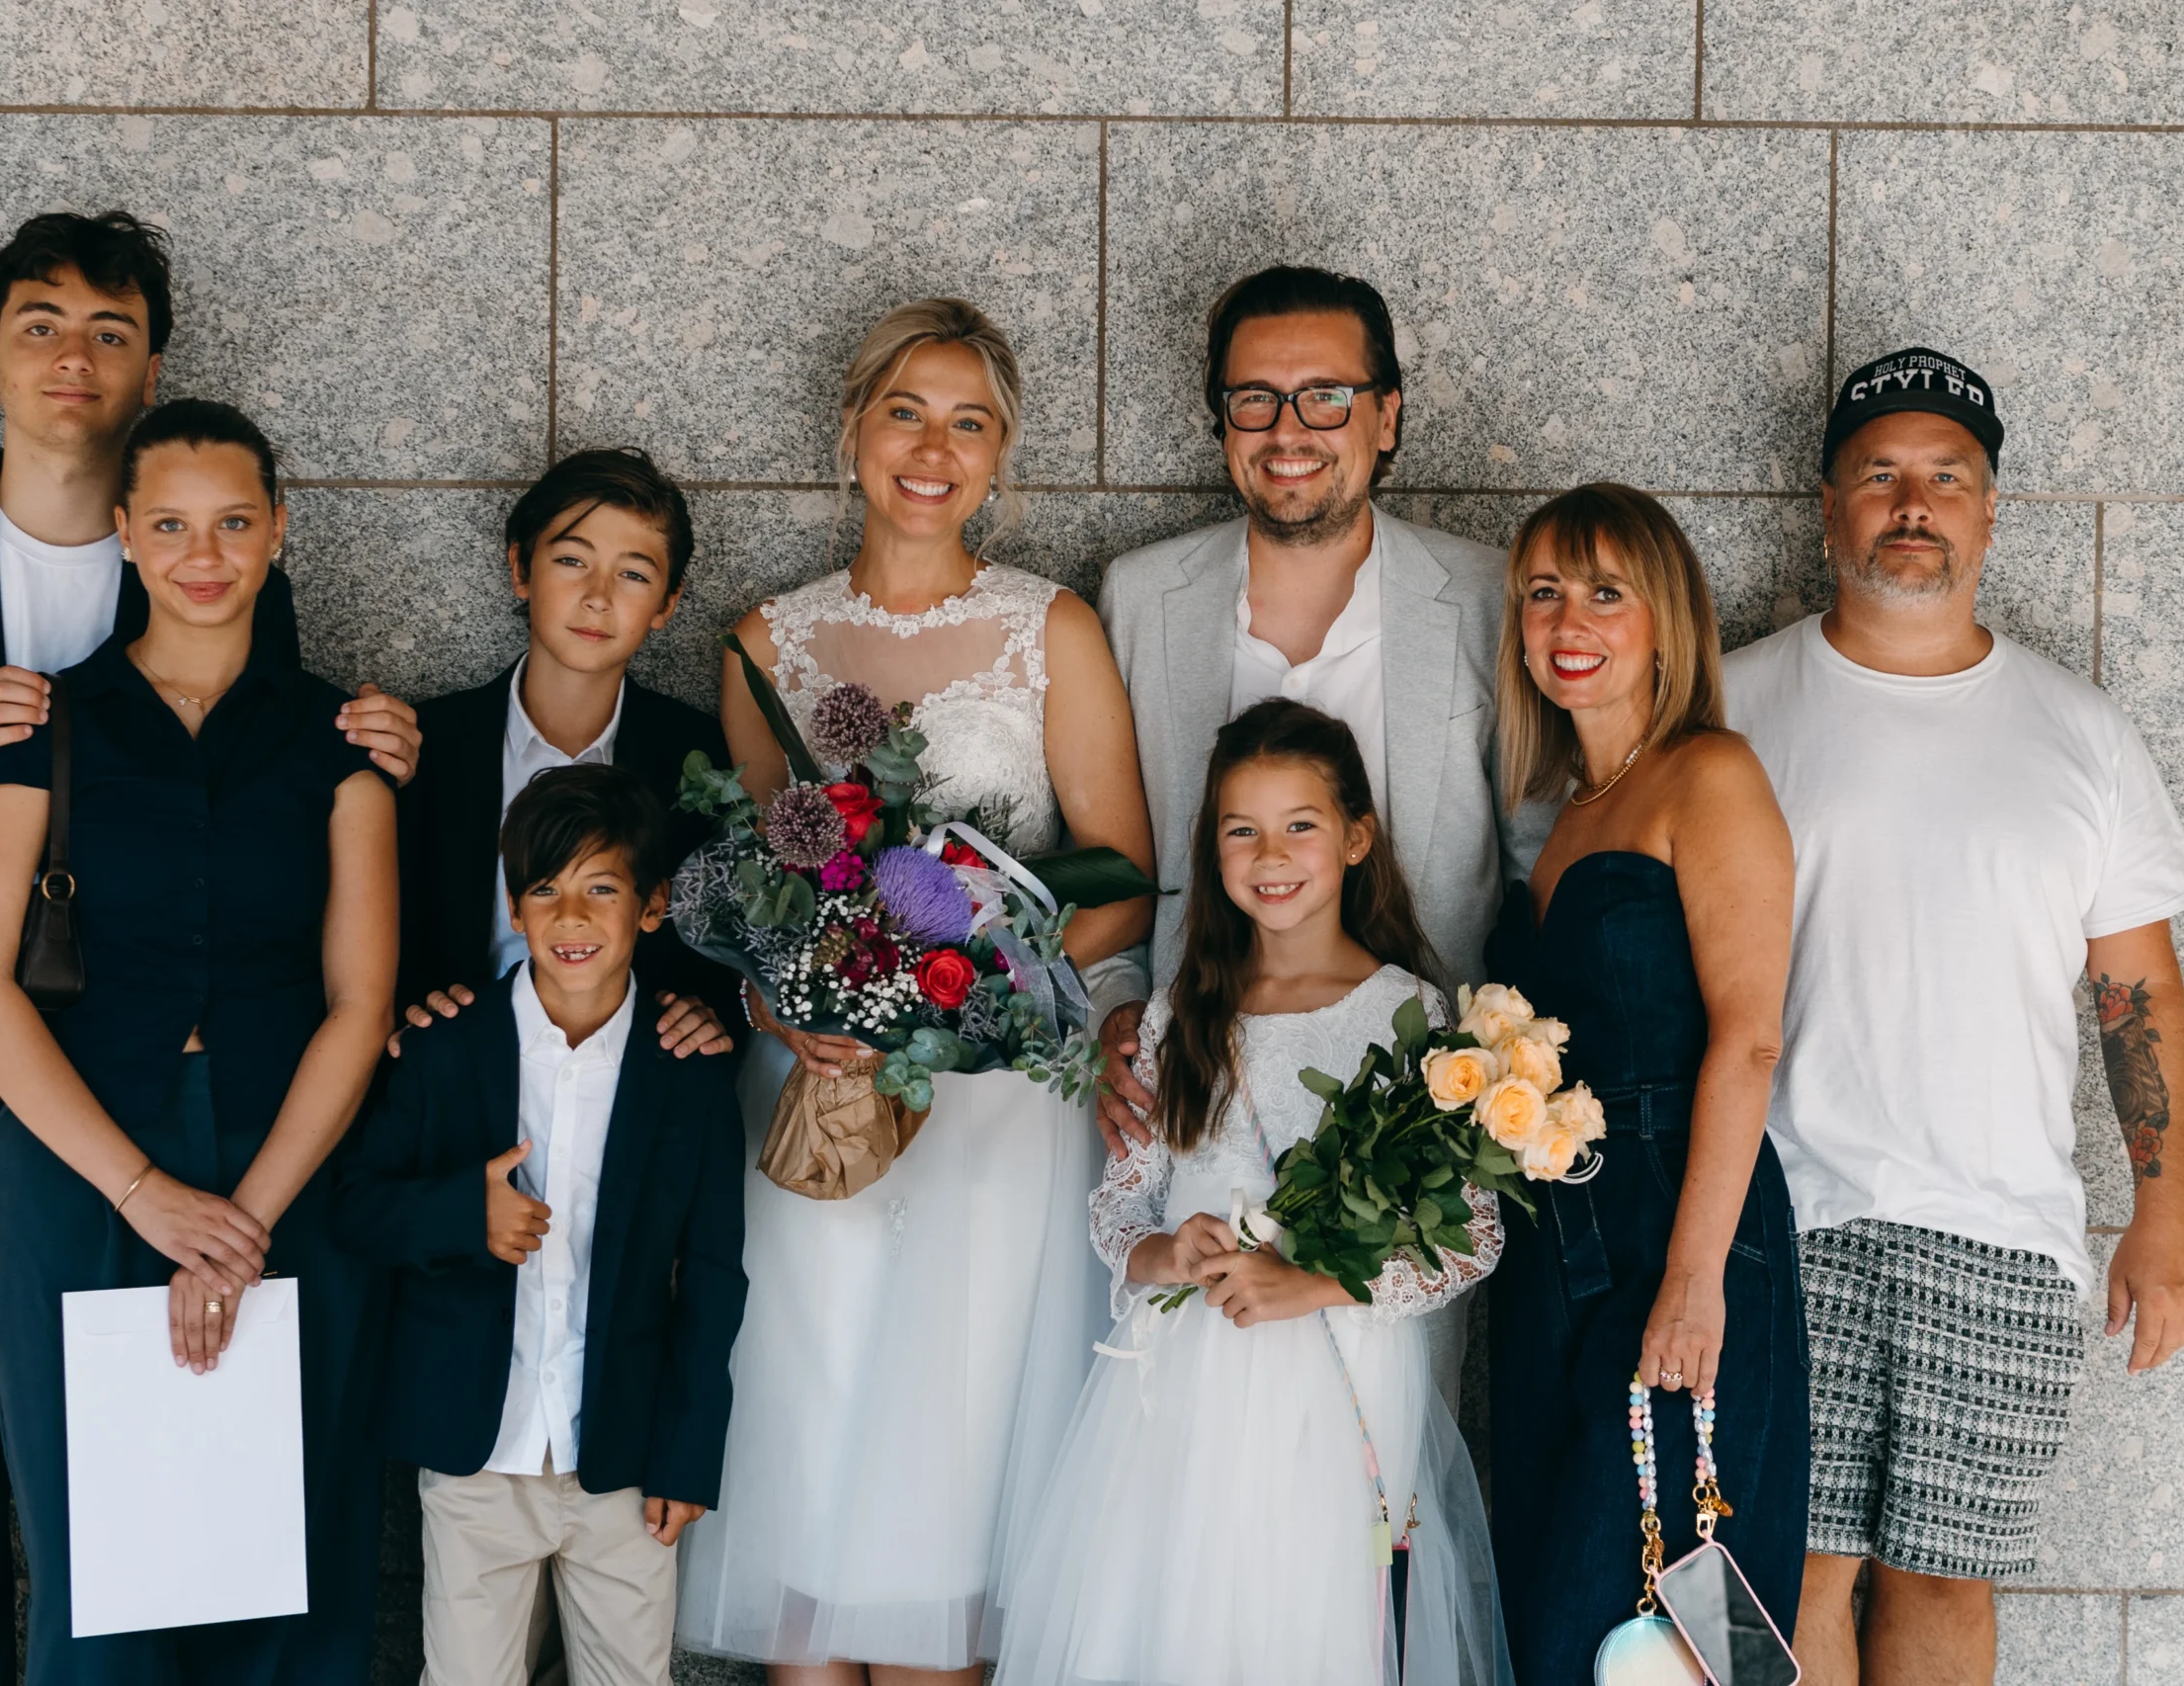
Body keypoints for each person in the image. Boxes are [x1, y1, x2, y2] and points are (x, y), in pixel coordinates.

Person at [0, 211, 418, 1686]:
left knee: (206, 1484)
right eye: (42, 323)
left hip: (184, 1079)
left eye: (112, 332)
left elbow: (264, 790)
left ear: (149, 366)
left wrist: (376, 747)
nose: (74, 355)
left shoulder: (211, 561)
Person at [673, 297, 1157, 1685]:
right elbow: (771, 888)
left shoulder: (1047, 628)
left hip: (991, 1105)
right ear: (851, 433)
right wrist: (785, 1002)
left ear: (1001, 457)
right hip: (818, 1095)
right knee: (812, 1438)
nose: (932, 448)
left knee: (945, 1471)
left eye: (968, 422)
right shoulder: (765, 641)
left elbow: (1122, 878)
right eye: (906, 412)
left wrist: (964, 995)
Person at [1726, 349, 2184, 1686]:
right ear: (1829, 508)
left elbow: (2136, 987)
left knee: (1945, 1573)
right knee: (1792, 1564)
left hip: (2003, 1227)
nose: (1914, 504)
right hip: (1779, 1214)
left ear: (1991, 512)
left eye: (1948, 477)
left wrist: (2163, 1212)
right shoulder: (1726, 706)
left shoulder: (2082, 734)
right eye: (1881, 475)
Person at [0, 400, 399, 1682]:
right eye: (176, 524)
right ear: (128, 535)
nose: (206, 552)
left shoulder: (342, 744)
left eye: (235, 521)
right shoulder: (41, 725)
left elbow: (360, 1000)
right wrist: (146, 1192)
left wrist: (240, 1218)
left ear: (278, 532)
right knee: (105, 1576)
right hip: (82, 1165)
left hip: (288, 1168)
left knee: (291, 1568)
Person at [1092, 266, 1550, 1395]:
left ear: (1386, 415)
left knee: (1375, 1474)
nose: (1289, 429)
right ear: (1220, 422)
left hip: (1411, 1142)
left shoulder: (1490, 594)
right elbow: (1107, 850)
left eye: (1325, 396)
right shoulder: (1139, 597)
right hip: (1198, 1093)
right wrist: (1112, 1009)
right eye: (1255, 398)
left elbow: (1541, 856)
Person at [994, 699, 1507, 1686]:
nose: (1270, 853)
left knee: (1295, 1623)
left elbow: (1465, 1240)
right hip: (1176, 1381)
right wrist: (1161, 1253)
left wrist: (1304, 1281)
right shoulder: (1181, 1010)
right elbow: (1124, 1203)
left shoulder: (1404, 1011)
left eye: (1299, 824)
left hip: (1332, 1380)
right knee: (1167, 1616)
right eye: (1241, 829)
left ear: (1356, 836)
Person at [1479, 483, 1807, 1685]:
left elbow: (1749, 1039)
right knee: (1560, 1607)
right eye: (1544, 592)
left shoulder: (1706, 773)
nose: (1569, 618)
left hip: (1682, 1218)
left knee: (1681, 1608)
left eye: (1605, 591)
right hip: (1559, 1241)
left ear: (1663, 618)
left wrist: (1693, 1279)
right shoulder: (1559, 816)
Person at [336, 764, 747, 1686]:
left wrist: (688, 1455)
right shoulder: (444, 1047)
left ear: (652, 907)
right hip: (476, 1454)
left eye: (602, 888)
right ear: (513, 907)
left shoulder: (687, 1071)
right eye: (546, 890)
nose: (571, 916)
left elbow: (714, 1274)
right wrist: (459, 1213)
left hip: (626, 1462)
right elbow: (355, 1206)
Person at [391, 447, 737, 1060]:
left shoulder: (699, 756)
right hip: (454, 1076)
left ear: (667, 603)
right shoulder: (427, 743)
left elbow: (722, 946)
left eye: (633, 574)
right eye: (572, 560)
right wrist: (406, 1010)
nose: (598, 596)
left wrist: (704, 1013)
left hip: (627, 1083)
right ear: (521, 569)